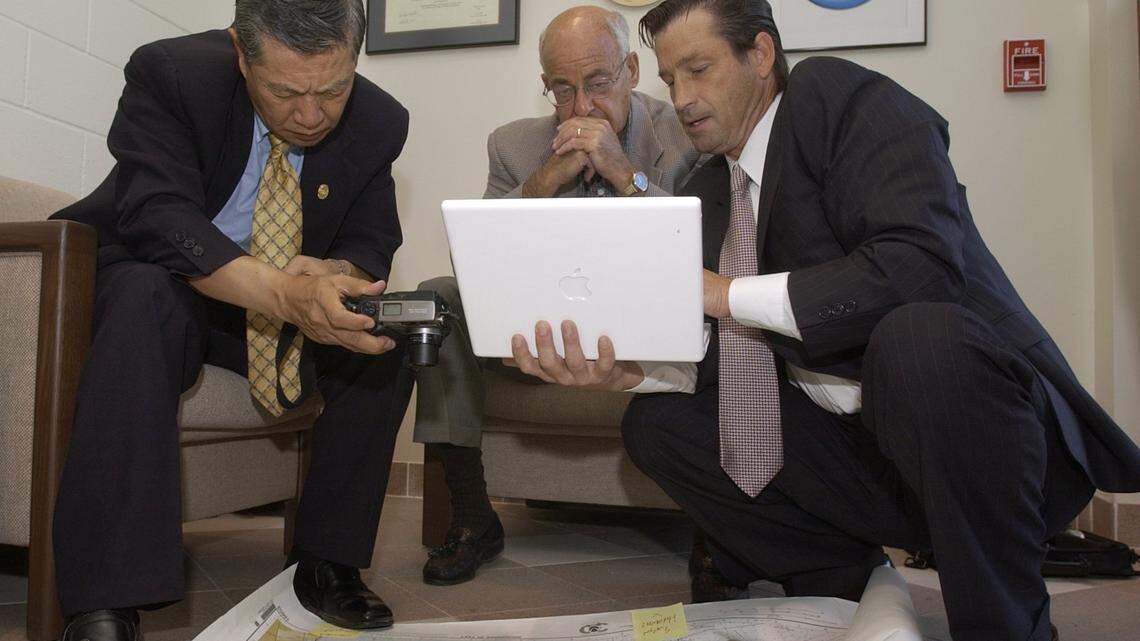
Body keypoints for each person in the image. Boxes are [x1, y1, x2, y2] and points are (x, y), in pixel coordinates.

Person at [507, 2, 1140, 640]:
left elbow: (921, 265)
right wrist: (622, 373)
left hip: (992, 448)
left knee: (916, 339)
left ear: (760, 55)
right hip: (867, 462)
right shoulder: (708, 191)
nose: (685, 97)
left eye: (699, 69)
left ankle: (1008, 628)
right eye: (672, 81)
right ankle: (841, 589)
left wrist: (726, 294)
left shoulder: (836, 100)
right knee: (659, 424)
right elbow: (710, 358)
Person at [49, 1, 414, 639]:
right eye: (284, 91)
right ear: (241, 54)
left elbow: (372, 234)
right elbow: (157, 214)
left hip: (264, 309)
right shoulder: (172, 74)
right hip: (162, 285)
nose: (310, 114)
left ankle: (328, 565)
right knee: (142, 294)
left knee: (386, 335)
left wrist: (335, 273)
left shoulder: (380, 120)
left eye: (333, 89)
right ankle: (104, 602)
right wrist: (280, 292)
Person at [412, 5, 700, 588]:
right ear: (544, 85)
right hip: (535, 331)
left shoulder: (684, 133)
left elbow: (701, 258)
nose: (583, 108)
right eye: (562, 91)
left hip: (644, 340)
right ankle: (472, 514)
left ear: (633, 71)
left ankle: (717, 531)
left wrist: (624, 174)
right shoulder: (514, 144)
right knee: (436, 299)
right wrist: (546, 178)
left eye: (598, 84)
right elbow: (473, 264)